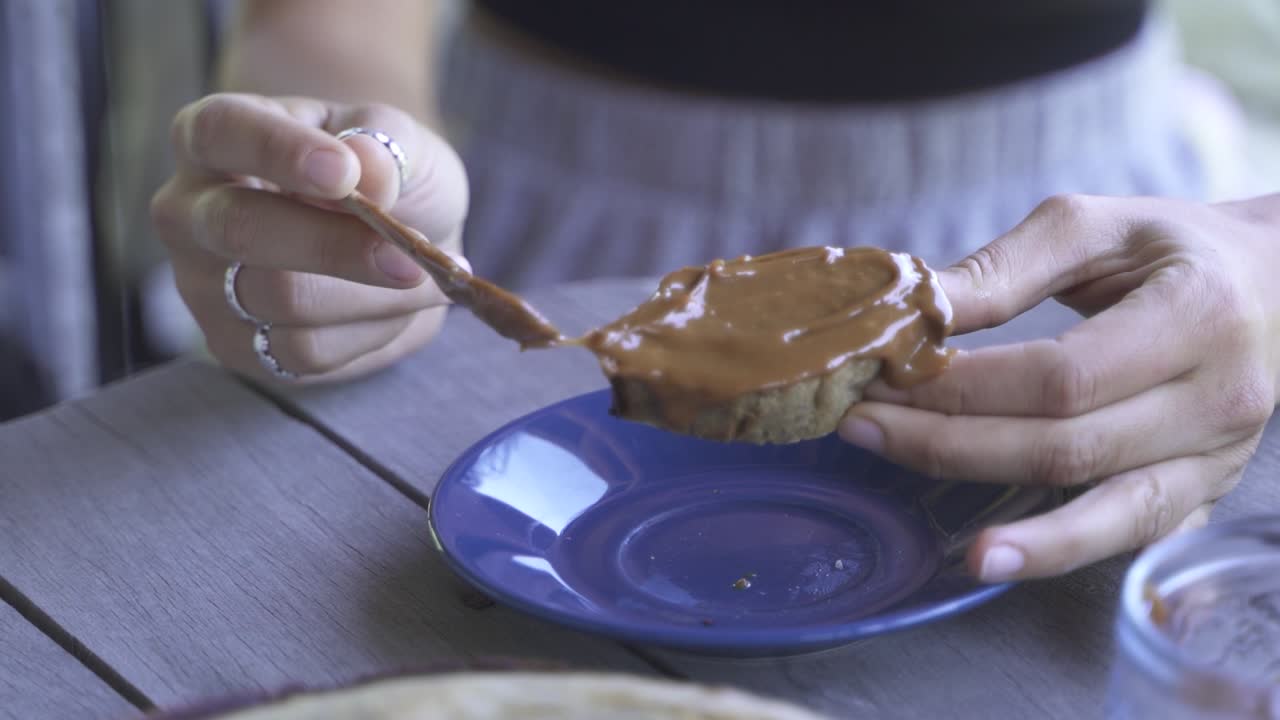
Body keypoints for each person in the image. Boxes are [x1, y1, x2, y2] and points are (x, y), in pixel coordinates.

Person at [150, 0, 1279, 584]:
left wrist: (1267, 250)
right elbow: (325, 20)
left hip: (1100, 245)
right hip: (532, 217)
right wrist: (353, 178)